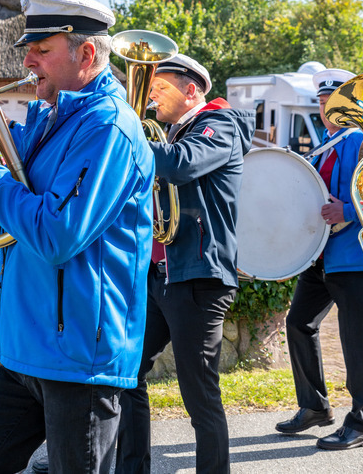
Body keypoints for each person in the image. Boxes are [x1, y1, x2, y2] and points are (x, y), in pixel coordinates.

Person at [0, 0, 155, 474]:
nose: (27, 61)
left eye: (42, 50)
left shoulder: (108, 128)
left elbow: (54, 235)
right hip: (22, 347)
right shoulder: (48, 117)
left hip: (78, 356)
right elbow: (3, 194)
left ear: (85, 54)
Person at [114, 54, 255, 473]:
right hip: (162, 275)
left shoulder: (220, 125)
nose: (151, 97)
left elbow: (180, 164)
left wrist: (124, 134)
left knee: (200, 396)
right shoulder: (173, 133)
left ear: (191, 90)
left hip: (199, 277)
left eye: (159, 88)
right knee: (127, 373)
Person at [275, 68, 363, 450]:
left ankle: (361, 423)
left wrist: (347, 211)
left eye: (332, 101)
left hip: (354, 259)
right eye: (320, 102)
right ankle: (315, 407)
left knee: (355, 340)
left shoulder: (362, 140)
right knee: (299, 323)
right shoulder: (326, 141)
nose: (325, 108)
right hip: (321, 257)